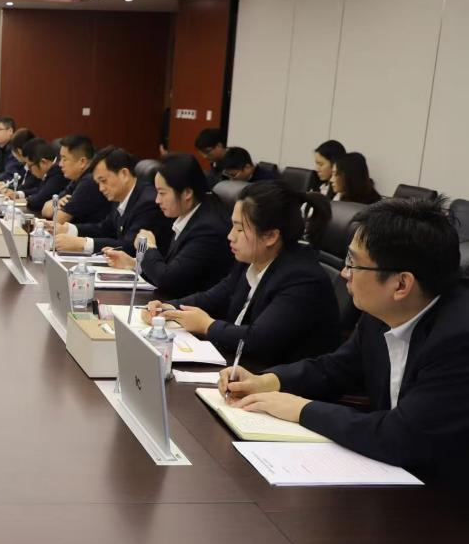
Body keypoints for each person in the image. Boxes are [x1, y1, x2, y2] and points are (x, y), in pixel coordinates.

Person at [220, 197, 469, 484]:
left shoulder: (458, 340)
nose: (344, 273)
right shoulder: (383, 311)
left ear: (401, 284)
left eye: (353, 263)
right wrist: (267, 381)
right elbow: (337, 368)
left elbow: (401, 437)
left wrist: (301, 409)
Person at [144, 180, 339, 369]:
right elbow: (213, 298)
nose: (230, 236)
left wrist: (207, 326)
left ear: (271, 236)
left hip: (274, 379)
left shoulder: (302, 278)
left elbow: (259, 340)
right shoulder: (252, 259)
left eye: (239, 228)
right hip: (240, 365)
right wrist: (169, 308)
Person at [103, 153, 235, 298]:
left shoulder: (207, 228)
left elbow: (168, 281)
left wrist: (147, 247)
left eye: (162, 193)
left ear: (187, 193)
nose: (157, 200)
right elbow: (172, 269)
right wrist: (135, 264)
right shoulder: (189, 214)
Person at [53, 147, 173, 255]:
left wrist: (83, 244)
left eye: (103, 181)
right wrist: (68, 229)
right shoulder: (119, 197)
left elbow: (131, 247)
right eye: (98, 183)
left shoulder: (148, 203)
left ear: (124, 174)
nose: (101, 188)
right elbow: (104, 229)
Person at [40, 134, 108, 225]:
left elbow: (58, 220)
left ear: (82, 162)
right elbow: (45, 210)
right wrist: (57, 203)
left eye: (64, 159)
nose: (60, 164)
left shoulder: (89, 181)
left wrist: (55, 206)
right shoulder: (77, 178)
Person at [21, 138, 69, 216]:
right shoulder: (51, 171)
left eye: (30, 166)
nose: (29, 170)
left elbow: (38, 201)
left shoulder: (58, 172)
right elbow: (40, 191)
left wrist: (26, 200)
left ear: (43, 162)